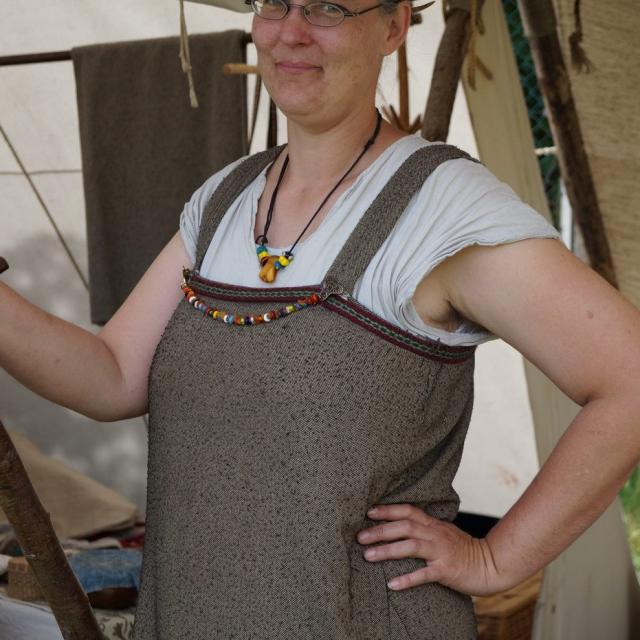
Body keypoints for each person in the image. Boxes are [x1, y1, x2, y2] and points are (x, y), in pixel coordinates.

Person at [1, 0, 639, 637]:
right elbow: (113, 375)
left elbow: (629, 379)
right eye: (275, 4)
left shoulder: (443, 210)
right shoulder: (224, 200)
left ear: (393, 27)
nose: (291, 32)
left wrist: (496, 558)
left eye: (328, 7)